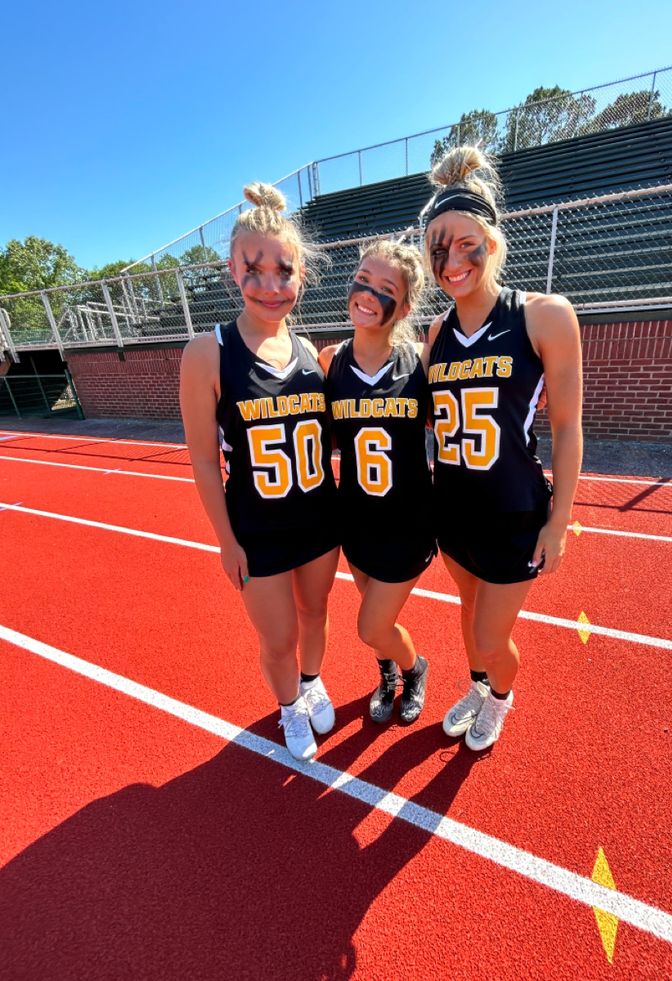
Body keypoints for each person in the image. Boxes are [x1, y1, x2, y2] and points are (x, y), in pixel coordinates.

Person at [422, 146, 583, 751]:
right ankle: (478, 685)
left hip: (515, 511)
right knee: (467, 613)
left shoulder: (543, 315)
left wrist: (560, 519)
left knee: (493, 635)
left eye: (466, 244)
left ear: (491, 241)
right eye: (439, 249)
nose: (453, 261)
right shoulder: (437, 333)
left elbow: (568, 427)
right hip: (454, 508)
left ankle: (501, 696)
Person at [179, 183, 340, 761]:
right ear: (232, 268)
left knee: (316, 613)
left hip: (319, 520)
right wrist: (226, 541)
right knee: (279, 638)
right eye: (255, 269)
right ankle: (288, 709)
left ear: (301, 274)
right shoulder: (207, 352)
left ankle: (313, 680)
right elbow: (202, 457)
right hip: (259, 528)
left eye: (284, 271)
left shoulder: (314, 355)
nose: (271, 286)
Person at [319, 240, 434, 725]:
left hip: (407, 523)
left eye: (385, 288)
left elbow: (452, 426)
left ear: (404, 306)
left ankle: (415, 669)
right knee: (375, 618)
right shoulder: (329, 362)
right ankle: (386, 675)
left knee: (371, 625)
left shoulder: (420, 363)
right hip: (356, 521)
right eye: (363, 279)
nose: (367, 293)